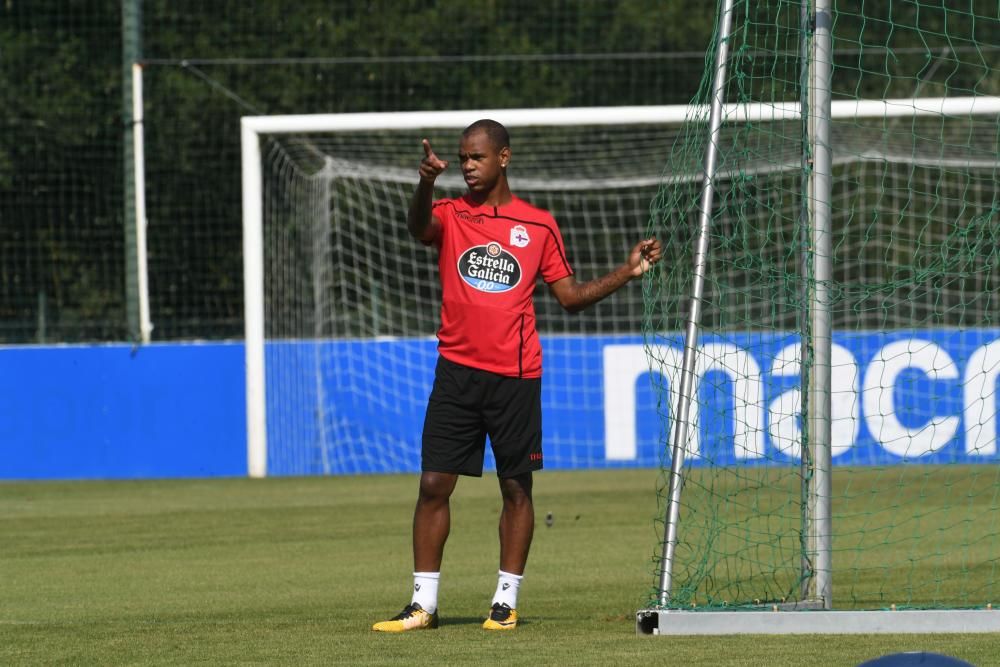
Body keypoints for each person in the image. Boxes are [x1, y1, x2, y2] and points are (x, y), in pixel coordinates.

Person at [372, 119, 662, 633]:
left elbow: (569, 299)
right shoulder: (450, 212)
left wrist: (627, 271)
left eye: (476, 158)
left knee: (516, 490)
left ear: (503, 158)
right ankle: (423, 604)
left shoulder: (539, 225)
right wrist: (425, 182)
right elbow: (419, 229)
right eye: (461, 158)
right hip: (456, 372)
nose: (466, 166)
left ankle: (505, 602)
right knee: (434, 484)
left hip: (516, 376)